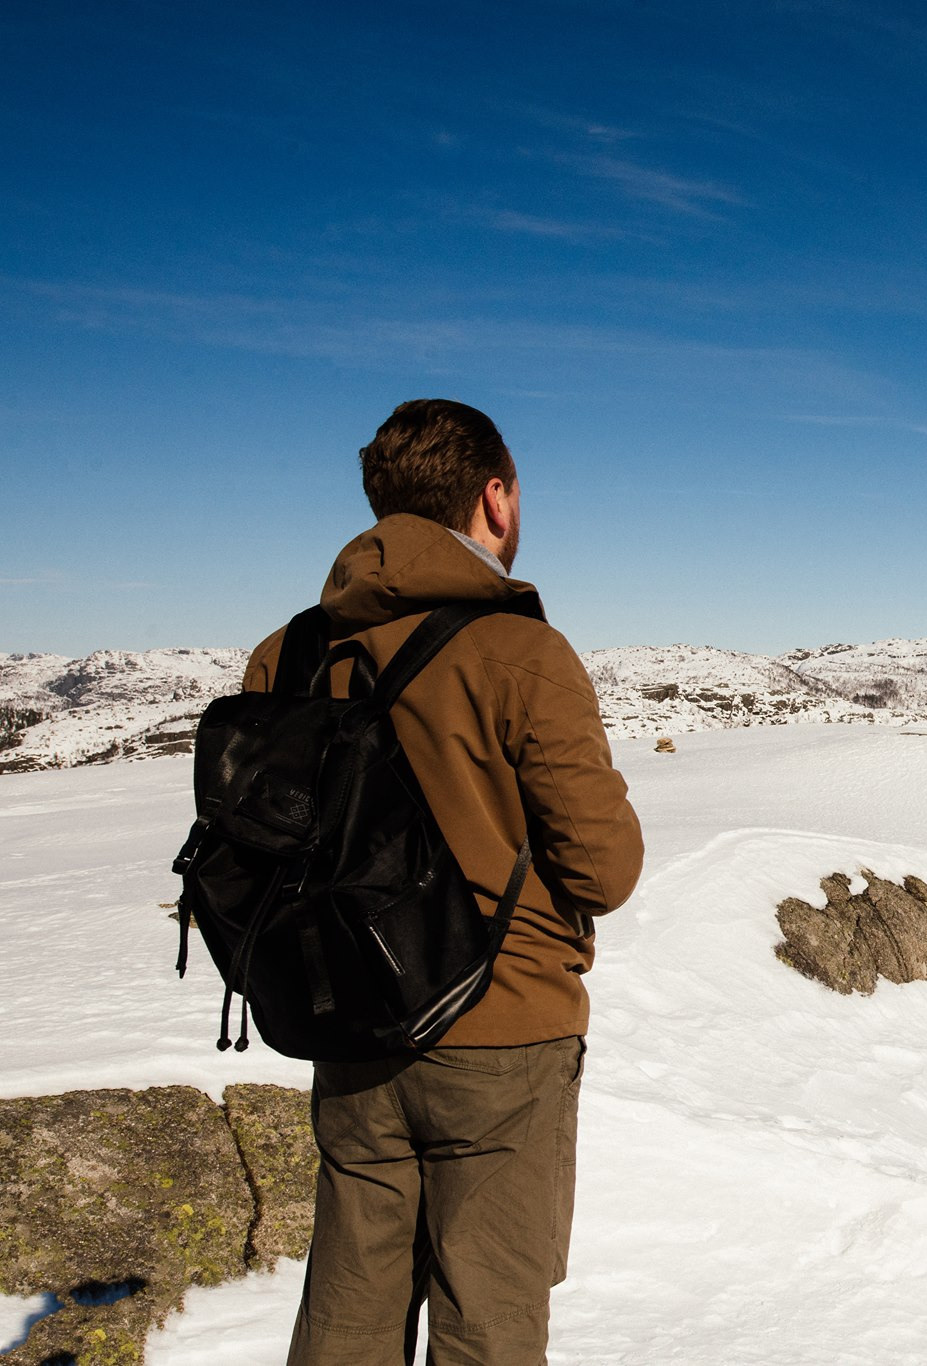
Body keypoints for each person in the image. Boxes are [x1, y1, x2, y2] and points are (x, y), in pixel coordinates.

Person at [240, 398, 644, 1366]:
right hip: (500, 1023)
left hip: (346, 1013)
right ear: (494, 497)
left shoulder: (288, 653)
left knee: (348, 1307)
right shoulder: (520, 652)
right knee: (489, 1313)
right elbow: (603, 869)